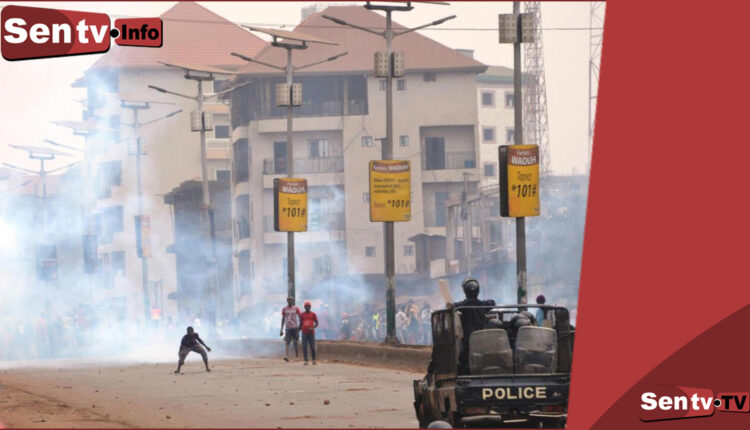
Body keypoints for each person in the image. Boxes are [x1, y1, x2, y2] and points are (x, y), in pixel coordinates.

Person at [451, 277, 496, 375]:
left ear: (465, 291)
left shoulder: (463, 305)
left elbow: (452, 306)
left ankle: (464, 378)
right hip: (482, 340)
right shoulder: (482, 304)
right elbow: (492, 302)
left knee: (463, 360)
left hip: (468, 341)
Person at [280, 297, 302, 361]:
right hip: (288, 328)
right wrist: (281, 329)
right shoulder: (284, 309)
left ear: (293, 301)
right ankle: (286, 355)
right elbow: (283, 318)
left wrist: (300, 326)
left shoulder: (296, 308)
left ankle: (297, 356)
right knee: (287, 341)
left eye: (291, 300)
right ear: (287, 301)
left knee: (295, 342)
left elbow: (300, 317)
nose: (290, 301)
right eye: (289, 300)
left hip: (295, 327)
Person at [299, 301, 319, 365]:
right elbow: (301, 324)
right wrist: (298, 330)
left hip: (311, 333)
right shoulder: (302, 314)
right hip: (304, 333)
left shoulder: (313, 314)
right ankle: (306, 360)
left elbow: (317, 323)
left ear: (310, 307)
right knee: (304, 347)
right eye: (306, 306)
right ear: (304, 307)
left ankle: (314, 359)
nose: (307, 307)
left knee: (312, 347)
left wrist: (313, 327)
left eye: (308, 306)